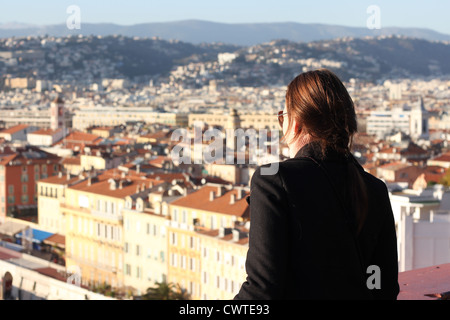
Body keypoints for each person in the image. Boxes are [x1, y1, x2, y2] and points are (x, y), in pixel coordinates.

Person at [234, 69, 399, 300]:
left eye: (283, 117)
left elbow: (262, 290)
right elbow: (385, 288)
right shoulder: (375, 188)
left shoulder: (274, 181)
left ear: (297, 123)